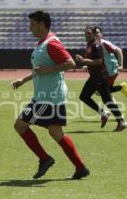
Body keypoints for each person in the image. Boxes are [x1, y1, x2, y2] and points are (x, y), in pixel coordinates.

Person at [11, 10, 89, 180]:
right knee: (56, 132)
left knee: (20, 125)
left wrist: (47, 70)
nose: (30, 28)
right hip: (53, 96)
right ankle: (81, 167)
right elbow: (40, 70)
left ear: (41, 24)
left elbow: (70, 63)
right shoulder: (43, 43)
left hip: (47, 98)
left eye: (32, 24)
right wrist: (24, 80)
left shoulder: (51, 44)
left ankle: (45, 159)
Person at [75, 25, 127, 132]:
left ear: (94, 34)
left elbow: (99, 62)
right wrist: (87, 64)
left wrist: (83, 61)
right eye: (85, 33)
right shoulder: (90, 44)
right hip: (94, 76)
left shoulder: (96, 45)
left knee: (107, 100)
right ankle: (104, 113)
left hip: (100, 76)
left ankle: (122, 121)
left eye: (89, 33)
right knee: (84, 96)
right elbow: (93, 61)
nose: (86, 35)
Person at [94, 26, 127, 98]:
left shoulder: (104, 43)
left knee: (100, 92)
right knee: (99, 91)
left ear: (101, 34)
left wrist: (120, 65)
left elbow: (119, 50)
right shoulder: (94, 45)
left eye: (98, 32)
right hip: (105, 71)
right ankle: (121, 88)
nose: (96, 34)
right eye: (94, 33)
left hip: (111, 71)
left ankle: (121, 87)